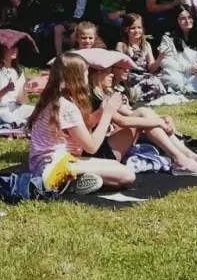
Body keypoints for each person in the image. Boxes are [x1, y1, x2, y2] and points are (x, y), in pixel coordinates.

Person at [27, 52, 135, 193]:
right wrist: (108, 113)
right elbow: (91, 147)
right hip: (53, 166)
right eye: (85, 73)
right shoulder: (66, 105)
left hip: (54, 162)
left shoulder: (57, 99)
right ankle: (65, 182)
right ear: (76, 77)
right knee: (127, 175)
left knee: (117, 166)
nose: (87, 77)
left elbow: (80, 128)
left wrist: (101, 111)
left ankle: (74, 180)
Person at [91, 64, 197, 176]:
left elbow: (130, 113)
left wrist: (162, 118)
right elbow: (122, 121)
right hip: (103, 152)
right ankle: (181, 160)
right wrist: (158, 122)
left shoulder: (104, 94)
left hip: (109, 141)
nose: (111, 74)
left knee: (144, 112)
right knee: (145, 116)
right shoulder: (95, 97)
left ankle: (189, 156)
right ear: (96, 75)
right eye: (107, 72)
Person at [0, 41, 31, 127]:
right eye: (11, 47)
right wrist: (6, 89)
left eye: (16, 47)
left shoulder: (19, 70)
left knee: (39, 113)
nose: (15, 50)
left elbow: (20, 102)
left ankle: (25, 123)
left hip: (15, 108)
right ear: (2, 50)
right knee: (10, 118)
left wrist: (26, 89)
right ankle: (23, 124)